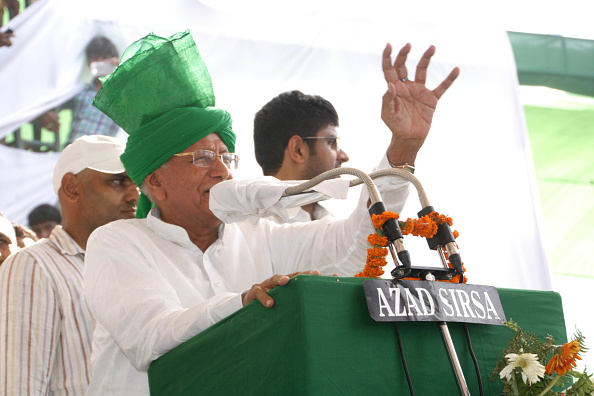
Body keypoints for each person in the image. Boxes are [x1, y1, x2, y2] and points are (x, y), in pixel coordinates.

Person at [82, 31, 458, 394]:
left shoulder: (261, 235)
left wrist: (403, 147)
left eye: (226, 157)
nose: (221, 171)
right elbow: (152, 337)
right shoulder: (117, 242)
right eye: (201, 158)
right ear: (155, 182)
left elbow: (356, 247)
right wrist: (244, 305)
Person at [0, 135, 139, 395]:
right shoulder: (34, 265)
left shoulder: (138, 263)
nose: (134, 195)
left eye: (136, 182)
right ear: (72, 187)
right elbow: (19, 387)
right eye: (118, 181)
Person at [253, 90, 349, 221]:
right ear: (298, 150)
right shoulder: (251, 230)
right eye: (331, 142)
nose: (344, 156)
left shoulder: (330, 221)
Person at [37, 36, 121, 146]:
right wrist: (48, 114)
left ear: (114, 61)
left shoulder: (121, 96)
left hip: (100, 157)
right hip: (73, 153)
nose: (100, 62)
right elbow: (52, 105)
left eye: (105, 58)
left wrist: (125, 67)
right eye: (95, 58)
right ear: (88, 62)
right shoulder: (80, 91)